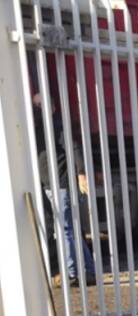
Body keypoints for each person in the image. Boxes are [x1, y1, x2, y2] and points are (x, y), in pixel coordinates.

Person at [34, 93, 96, 287]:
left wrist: (81, 173)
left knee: (65, 229)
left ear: (52, 107)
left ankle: (71, 274)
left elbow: (74, 147)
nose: (38, 110)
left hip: (58, 184)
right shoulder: (38, 127)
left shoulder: (57, 126)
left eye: (40, 105)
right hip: (51, 184)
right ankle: (89, 271)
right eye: (36, 106)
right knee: (71, 229)